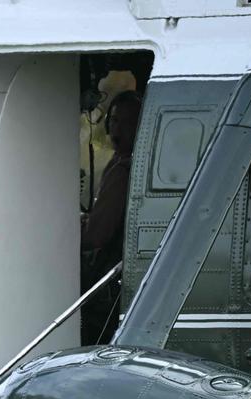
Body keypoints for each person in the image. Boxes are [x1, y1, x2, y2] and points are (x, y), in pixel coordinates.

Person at [81, 90, 143, 345]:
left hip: (110, 280)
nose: (118, 129)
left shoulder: (123, 171)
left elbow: (97, 235)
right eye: (115, 121)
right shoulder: (125, 163)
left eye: (126, 123)